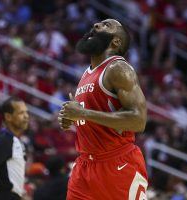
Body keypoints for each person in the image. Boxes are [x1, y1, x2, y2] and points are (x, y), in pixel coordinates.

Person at [58, 19, 148, 199]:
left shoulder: (118, 68)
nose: (96, 25)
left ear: (116, 41)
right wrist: (71, 118)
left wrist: (83, 113)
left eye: (107, 25)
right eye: (97, 24)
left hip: (117, 164)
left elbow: (139, 120)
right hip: (84, 167)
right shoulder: (87, 73)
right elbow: (92, 116)